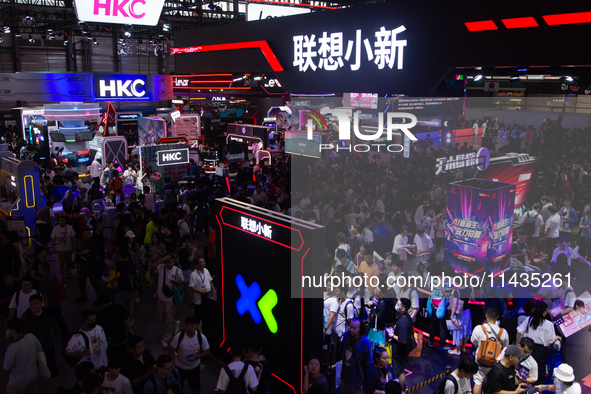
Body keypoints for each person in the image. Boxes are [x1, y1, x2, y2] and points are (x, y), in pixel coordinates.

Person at [21, 294, 65, 392]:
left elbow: (50, 326)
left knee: (52, 365)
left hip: (47, 344)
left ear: (41, 303)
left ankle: (59, 387)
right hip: (33, 347)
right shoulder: (26, 316)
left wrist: (51, 339)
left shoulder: (46, 312)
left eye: (37, 303)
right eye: (32, 304)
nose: (34, 306)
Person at [516, 301, 560, 386]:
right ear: (546, 310)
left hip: (527, 348)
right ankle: (537, 390)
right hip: (541, 352)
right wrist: (556, 338)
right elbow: (550, 341)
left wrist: (519, 345)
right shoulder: (549, 324)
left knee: (524, 369)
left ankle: (522, 388)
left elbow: (519, 331)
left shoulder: (529, 320)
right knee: (539, 373)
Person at [471, 308, 509, 394]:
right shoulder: (503, 332)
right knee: (495, 383)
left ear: (486, 315)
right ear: (497, 317)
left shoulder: (478, 328)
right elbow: (505, 347)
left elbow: (473, 341)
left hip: (481, 361)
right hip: (496, 363)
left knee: (478, 381)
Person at [168, 316, 210, 394]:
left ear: (196, 326)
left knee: (195, 389)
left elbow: (207, 351)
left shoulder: (201, 338)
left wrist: (197, 356)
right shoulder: (179, 337)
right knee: (178, 388)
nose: (190, 328)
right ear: (185, 325)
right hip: (179, 368)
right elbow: (171, 351)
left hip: (194, 368)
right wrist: (169, 367)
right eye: (188, 325)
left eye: (192, 325)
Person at [151, 253, 183, 349]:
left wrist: (176, 282)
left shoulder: (178, 271)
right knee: (161, 317)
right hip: (161, 297)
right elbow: (152, 266)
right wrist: (162, 259)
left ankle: (166, 338)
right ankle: (174, 323)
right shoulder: (161, 267)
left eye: (172, 262)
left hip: (170, 299)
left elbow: (182, 281)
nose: (170, 264)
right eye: (168, 262)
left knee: (168, 319)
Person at [3, 318, 41, 394]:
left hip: (18, 383)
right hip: (34, 377)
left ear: (13, 331)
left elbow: (6, 366)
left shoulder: (12, 348)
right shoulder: (31, 337)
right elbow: (40, 348)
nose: (7, 331)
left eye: (8, 329)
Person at [339, 317, 372, 394]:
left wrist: (365, 380)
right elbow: (343, 353)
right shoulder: (346, 335)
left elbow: (369, 363)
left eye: (354, 328)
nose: (351, 330)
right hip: (345, 377)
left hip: (357, 380)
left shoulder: (365, 342)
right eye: (350, 327)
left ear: (360, 329)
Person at [96, 289, 132, 357]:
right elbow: (127, 320)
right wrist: (129, 330)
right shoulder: (120, 308)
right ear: (111, 297)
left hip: (109, 342)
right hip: (121, 340)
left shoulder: (100, 313)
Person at [387, 298, 412, 388]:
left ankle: (400, 389)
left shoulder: (402, 321)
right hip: (401, 350)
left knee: (399, 371)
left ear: (403, 309)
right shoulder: (405, 317)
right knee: (400, 369)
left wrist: (392, 336)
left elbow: (403, 339)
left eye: (398, 304)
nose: (396, 305)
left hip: (399, 351)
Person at [75, 228, 101, 304]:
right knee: (81, 281)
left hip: (90, 265)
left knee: (94, 282)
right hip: (85, 264)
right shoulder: (84, 242)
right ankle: (83, 296)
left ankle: (99, 298)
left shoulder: (92, 241)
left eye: (88, 233)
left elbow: (86, 251)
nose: (87, 235)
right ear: (83, 235)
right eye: (85, 234)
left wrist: (78, 255)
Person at [189, 257, 214, 331]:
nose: (203, 264)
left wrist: (213, 290)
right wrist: (201, 292)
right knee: (198, 316)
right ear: (197, 264)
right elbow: (191, 287)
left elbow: (210, 281)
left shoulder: (206, 270)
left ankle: (207, 329)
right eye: (201, 262)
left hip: (208, 296)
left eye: (204, 262)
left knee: (207, 314)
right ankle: (194, 330)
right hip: (199, 299)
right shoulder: (193, 274)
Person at [51, 215, 77, 279]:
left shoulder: (69, 228)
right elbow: (53, 239)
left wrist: (75, 245)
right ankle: (62, 275)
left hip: (68, 248)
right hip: (60, 249)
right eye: (60, 220)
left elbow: (73, 237)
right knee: (61, 263)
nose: (61, 222)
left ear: (65, 221)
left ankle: (68, 272)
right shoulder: (56, 229)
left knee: (69, 262)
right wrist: (53, 248)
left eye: (62, 220)